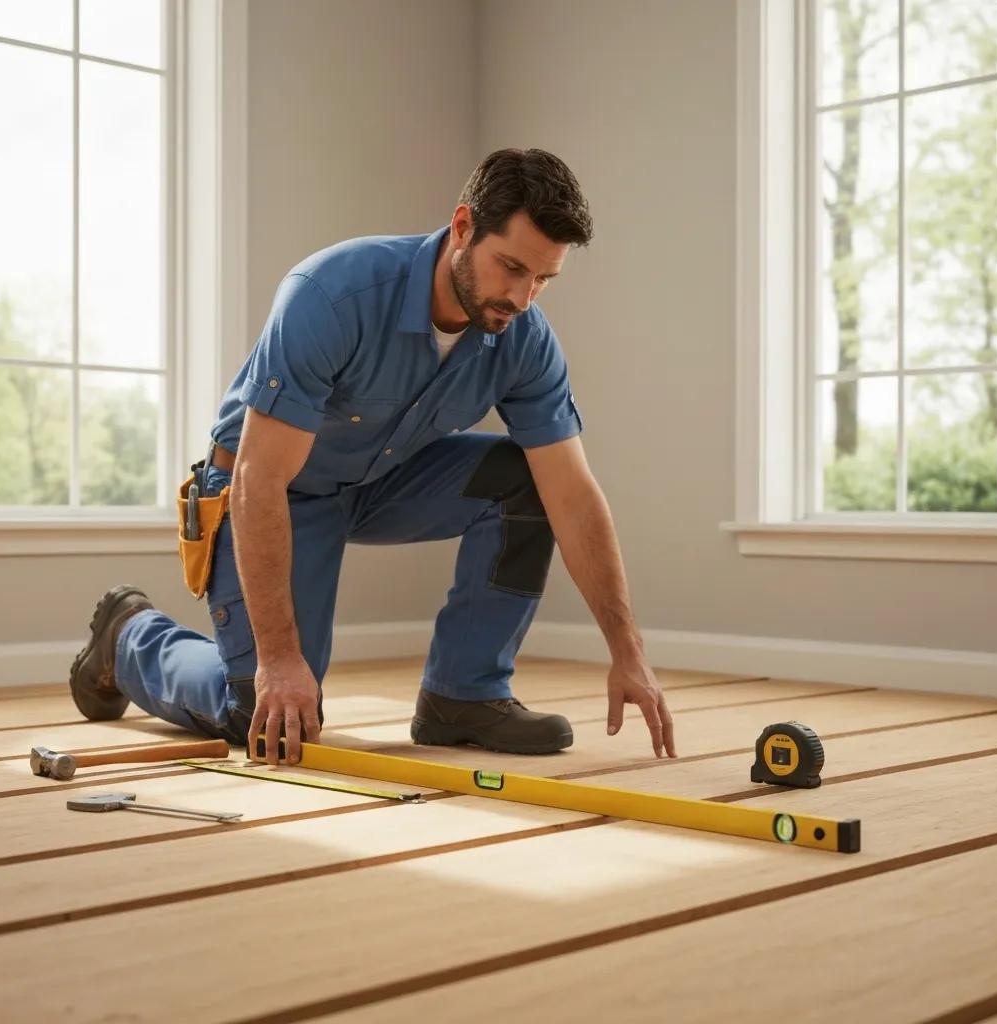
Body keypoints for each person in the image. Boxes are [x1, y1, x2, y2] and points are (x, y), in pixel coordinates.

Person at [69, 148, 677, 766]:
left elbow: (572, 495)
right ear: (463, 226)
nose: (522, 297)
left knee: (529, 481)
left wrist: (627, 650)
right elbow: (259, 478)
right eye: (512, 267)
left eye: (543, 279)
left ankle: (464, 696)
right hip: (271, 490)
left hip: (382, 481)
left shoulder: (524, 338)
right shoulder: (332, 294)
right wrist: (279, 661)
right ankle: (129, 636)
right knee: (265, 713)